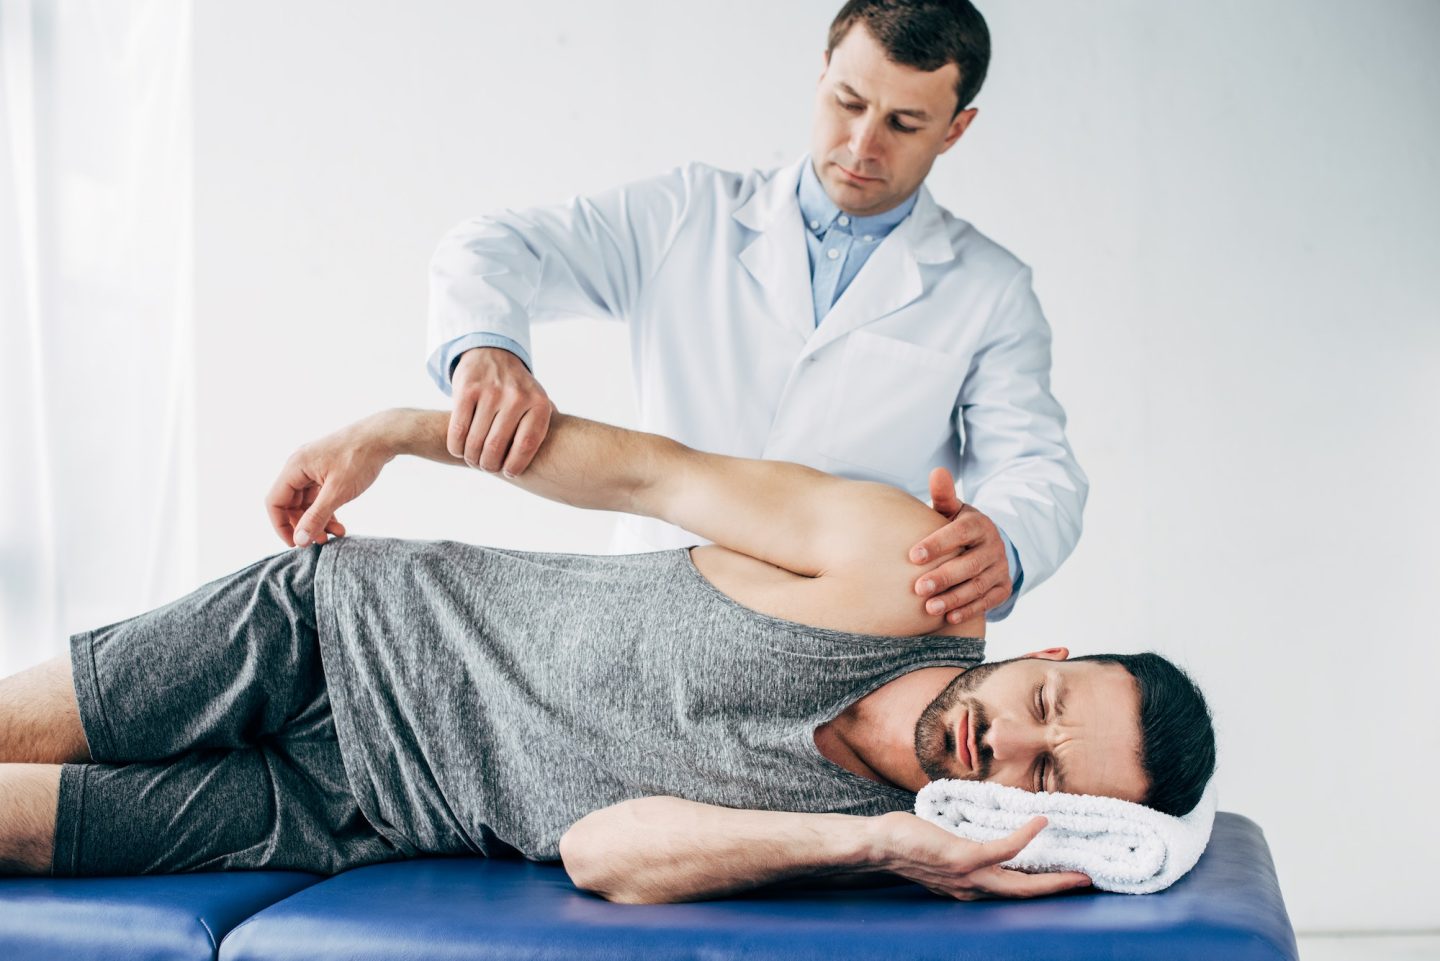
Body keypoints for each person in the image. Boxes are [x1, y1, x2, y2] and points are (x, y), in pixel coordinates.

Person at [0, 407, 1213, 904]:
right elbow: (649, 471)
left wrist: (878, 838)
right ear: (1041, 648)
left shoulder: (887, 847)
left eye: (1046, 776)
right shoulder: (902, 569)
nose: (1010, 741)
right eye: (1046, 701)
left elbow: (599, 849)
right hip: (336, 632)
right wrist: (401, 432)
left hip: (353, 809)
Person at [427, 0, 1088, 630]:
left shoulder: (990, 289)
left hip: (839, 638)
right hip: (648, 601)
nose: (862, 146)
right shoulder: (690, 215)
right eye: (848, 103)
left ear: (955, 129)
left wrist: (1005, 537)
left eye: (904, 123)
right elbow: (491, 245)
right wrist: (489, 349)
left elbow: (1035, 465)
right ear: (822, 71)